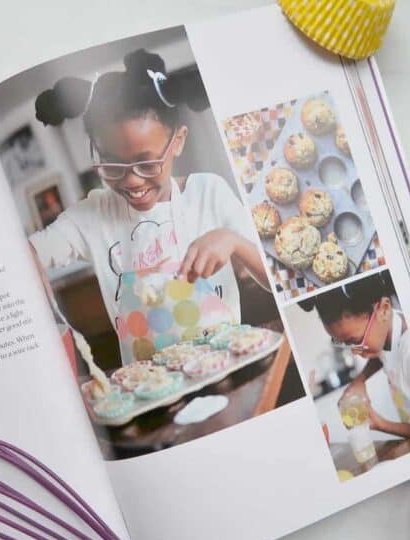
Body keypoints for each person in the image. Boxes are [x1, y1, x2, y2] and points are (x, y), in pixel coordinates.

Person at [29, 49, 266, 364]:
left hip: (229, 362)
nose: (132, 181)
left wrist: (232, 241)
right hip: (151, 386)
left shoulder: (209, 193)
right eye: (111, 164)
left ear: (178, 141)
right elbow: (28, 254)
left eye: (147, 163)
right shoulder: (92, 216)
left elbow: (271, 278)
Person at [302, 273, 410, 439]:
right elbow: (384, 355)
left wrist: (379, 424)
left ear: (383, 309)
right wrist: (359, 380)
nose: (354, 351)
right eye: (344, 343)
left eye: (355, 340)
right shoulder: (385, 333)